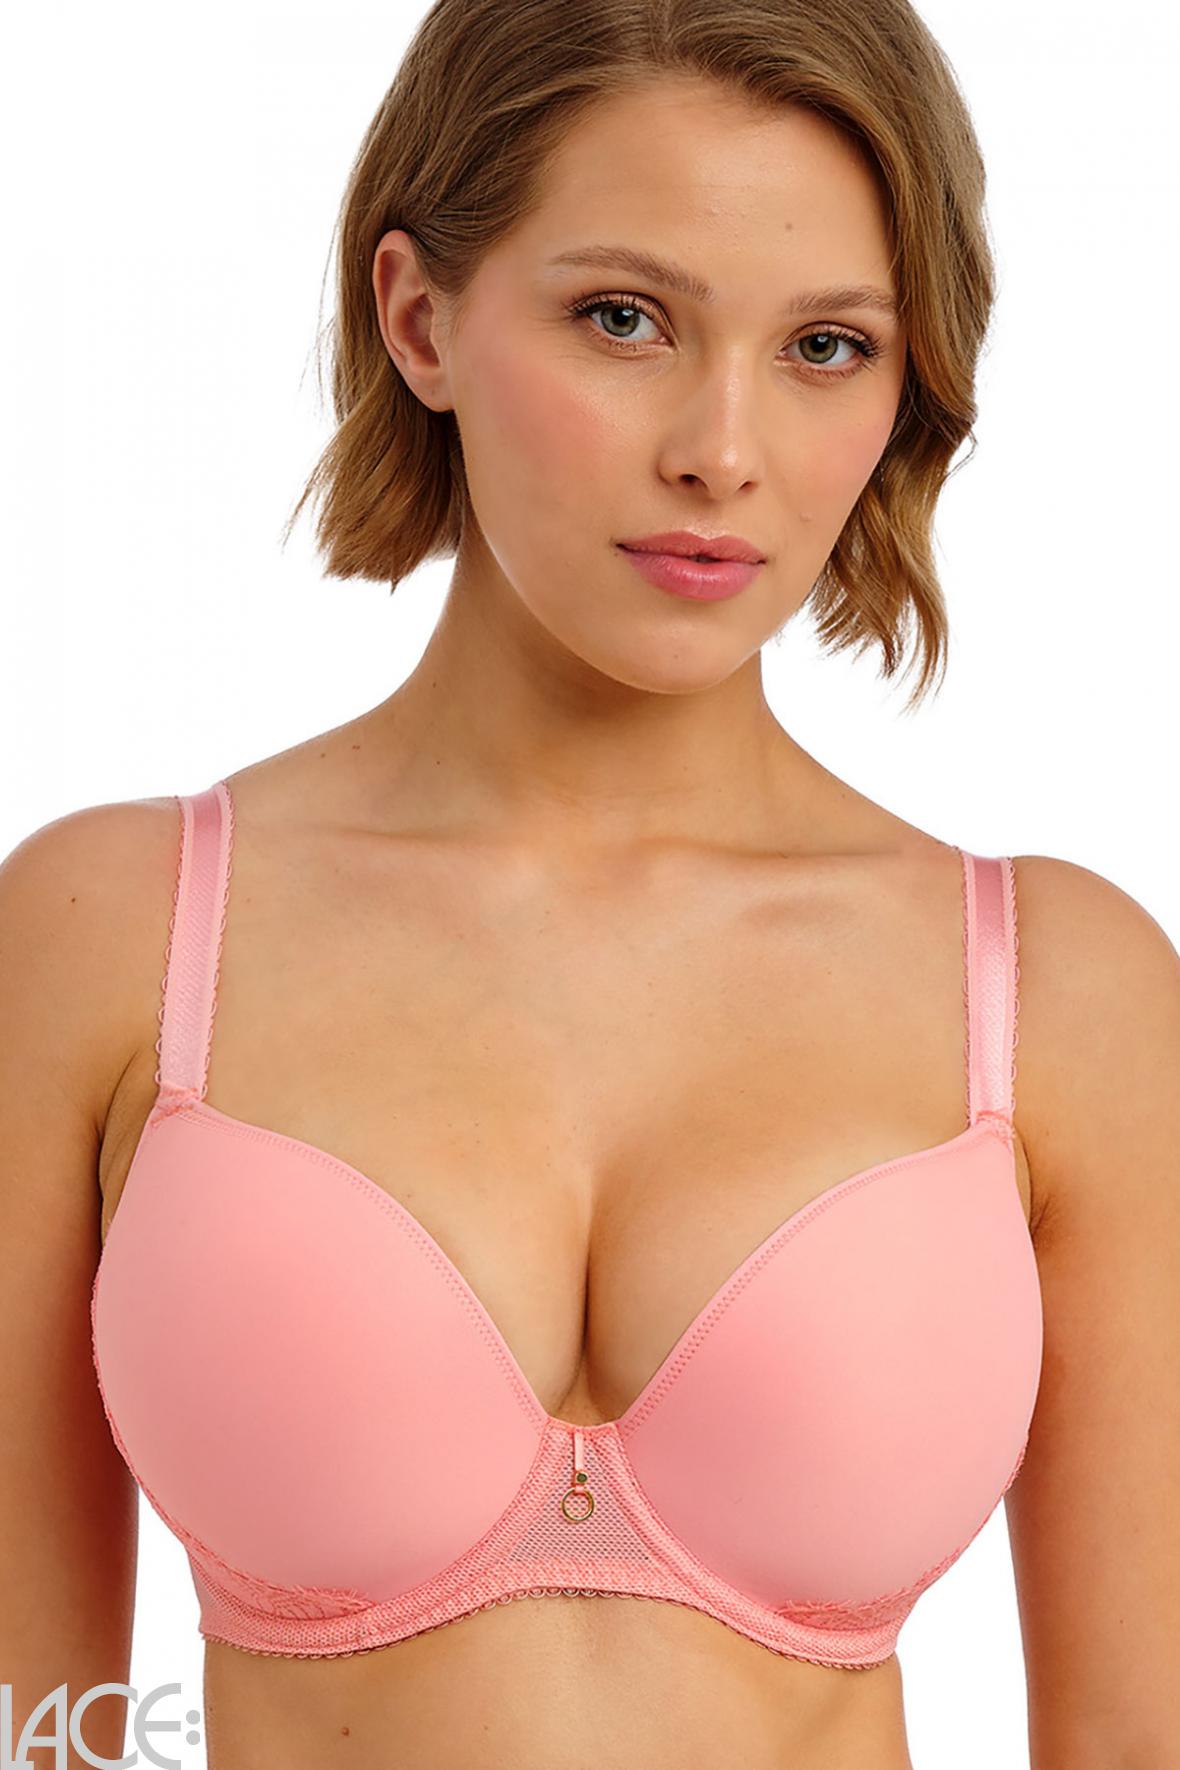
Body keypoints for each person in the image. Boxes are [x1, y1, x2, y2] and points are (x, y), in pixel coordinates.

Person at [3, 0, 1178, 1765]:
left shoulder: (1057, 990)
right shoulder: (115, 932)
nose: (722, 448)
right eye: (624, 318)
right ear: (420, 318)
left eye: (827, 345)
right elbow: (31, 1724)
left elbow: (1136, 1734)